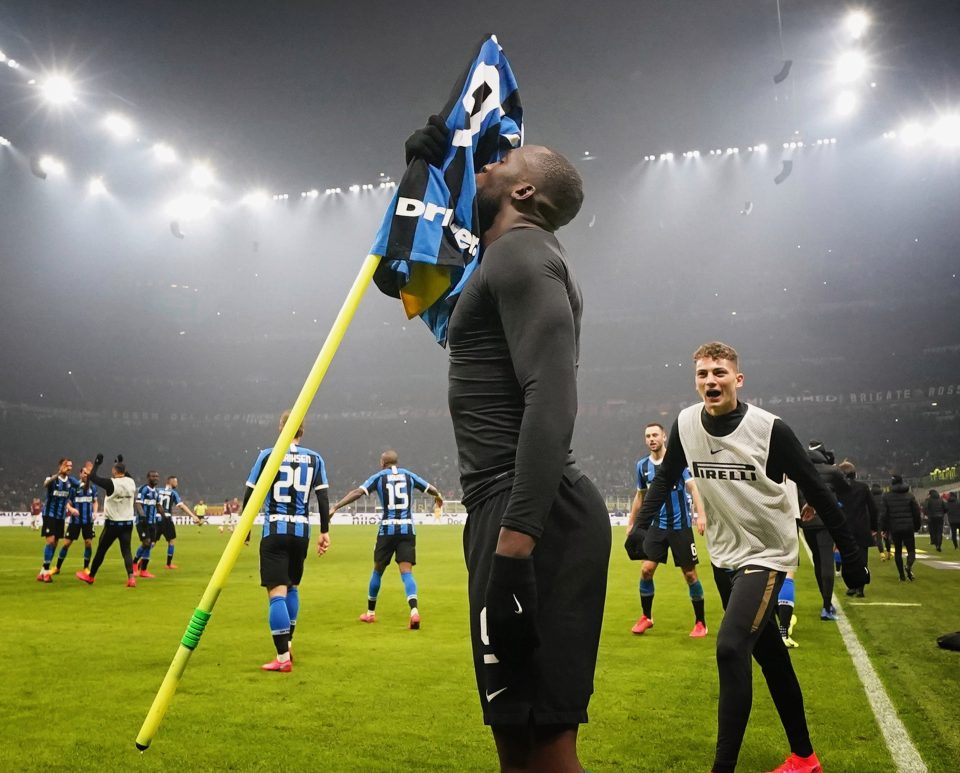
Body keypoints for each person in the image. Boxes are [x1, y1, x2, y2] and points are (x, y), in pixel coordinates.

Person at [407, 117, 611, 772]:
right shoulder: (499, 261)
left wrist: (517, 544)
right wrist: (419, 178)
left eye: (503, 161)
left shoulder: (523, 254)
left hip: (532, 520)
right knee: (517, 742)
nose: (485, 165)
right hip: (510, 511)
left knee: (544, 747)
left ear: (524, 194)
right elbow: (423, 290)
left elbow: (552, 397)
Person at [628, 342, 867, 773]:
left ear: (738, 380)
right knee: (771, 656)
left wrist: (850, 556)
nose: (710, 381)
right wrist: (641, 528)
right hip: (724, 557)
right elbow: (664, 480)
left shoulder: (769, 429)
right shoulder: (684, 424)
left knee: (730, 647)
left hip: (767, 554)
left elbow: (818, 491)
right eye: (702, 374)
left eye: (719, 373)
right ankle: (805, 758)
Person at [245, 411, 330, 672]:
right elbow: (323, 498)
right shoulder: (316, 459)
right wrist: (324, 532)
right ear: (302, 432)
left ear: (281, 428)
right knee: (292, 587)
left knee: (276, 593)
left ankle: (282, 659)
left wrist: (245, 526)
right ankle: (289, 643)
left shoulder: (268, 455)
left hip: (275, 530)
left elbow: (250, 491)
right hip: (301, 533)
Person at [329, 450, 443, 629]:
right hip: (407, 528)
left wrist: (336, 506)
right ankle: (414, 612)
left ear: (383, 463)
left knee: (377, 571)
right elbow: (433, 489)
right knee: (406, 573)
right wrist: (438, 498)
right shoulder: (409, 476)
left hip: (387, 529)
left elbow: (358, 492)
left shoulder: (379, 477)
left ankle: (370, 613)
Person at [625, 422, 708, 637]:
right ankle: (646, 617)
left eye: (655, 435)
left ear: (664, 437)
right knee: (646, 570)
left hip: (680, 527)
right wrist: (632, 523)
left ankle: (701, 623)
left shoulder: (677, 462)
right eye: (647, 436)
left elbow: (693, 488)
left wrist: (701, 515)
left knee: (689, 574)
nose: (651, 439)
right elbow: (640, 496)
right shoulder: (642, 466)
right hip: (656, 527)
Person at [799, 440, 850, 622]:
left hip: (807, 521)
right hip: (826, 521)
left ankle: (826, 602)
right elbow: (847, 488)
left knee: (818, 561)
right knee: (827, 560)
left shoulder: (800, 471)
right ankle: (827, 606)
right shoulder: (832, 471)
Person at [76, 454, 137, 587]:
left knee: (101, 550)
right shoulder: (131, 482)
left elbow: (92, 477)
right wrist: (120, 462)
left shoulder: (111, 483)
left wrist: (97, 463)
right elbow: (126, 473)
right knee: (126, 550)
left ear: (114, 471)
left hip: (113, 524)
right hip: (127, 523)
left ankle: (91, 576)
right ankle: (131, 578)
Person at [837, 461, 879, 597]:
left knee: (846, 558)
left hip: (844, 528)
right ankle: (860, 587)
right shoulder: (863, 487)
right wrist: (874, 527)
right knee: (862, 559)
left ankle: (851, 586)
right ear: (854, 474)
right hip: (861, 527)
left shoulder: (838, 488)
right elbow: (873, 508)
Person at [37, 458, 79, 582]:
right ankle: (45, 572)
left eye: (71, 466)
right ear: (60, 466)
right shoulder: (53, 478)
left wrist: (89, 474)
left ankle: (43, 571)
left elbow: (82, 484)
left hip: (61, 517)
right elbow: (45, 484)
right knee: (50, 541)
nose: (69, 468)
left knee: (55, 544)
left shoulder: (71, 481)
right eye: (67, 465)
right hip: (49, 514)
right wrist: (58, 473)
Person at [55, 461, 98, 576]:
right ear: (80, 474)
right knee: (66, 544)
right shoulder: (73, 488)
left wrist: (95, 512)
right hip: (75, 521)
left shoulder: (92, 488)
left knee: (88, 543)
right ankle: (57, 567)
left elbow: (95, 502)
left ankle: (85, 568)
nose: (85, 475)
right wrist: (71, 509)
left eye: (87, 473)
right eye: (84, 473)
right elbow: (67, 503)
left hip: (88, 521)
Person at [880, 474, 922, 582]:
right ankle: (908, 565)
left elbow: (884, 514)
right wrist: (917, 526)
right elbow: (916, 513)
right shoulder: (909, 496)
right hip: (908, 526)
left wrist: (884, 528)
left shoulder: (886, 496)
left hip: (895, 527)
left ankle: (902, 575)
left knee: (898, 551)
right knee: (911, 550)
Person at [157, 475, 197, 569]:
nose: (177, 483)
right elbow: (181, 506)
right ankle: (168, 564)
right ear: (171, 482)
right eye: (176, 482)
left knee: (152, 542)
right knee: (171, 540)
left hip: (155, 518)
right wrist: (193, 516)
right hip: (166, 518)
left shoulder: (157, 490)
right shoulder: (173, 493)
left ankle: (140, 562)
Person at [133, 470, 165, 577]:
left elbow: (158, 505)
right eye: (153, 476)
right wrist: (142, 516)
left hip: (152, 522)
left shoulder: (156, 492)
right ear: (148, 477)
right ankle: (134, 563)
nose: (155, 478)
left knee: (150, 544)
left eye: (157, 476)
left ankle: (143, 571)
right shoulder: (143, 489)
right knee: (146, 543)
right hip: (142, 522)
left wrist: (165, 516)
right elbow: (138, 503)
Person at [870, 482, 891, 560]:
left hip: (876, 520)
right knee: (886, 537)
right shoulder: (884, 497)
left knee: (879, 538)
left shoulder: (870, 498)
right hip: (885, 519)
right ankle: (889, 553)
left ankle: (882, 554)